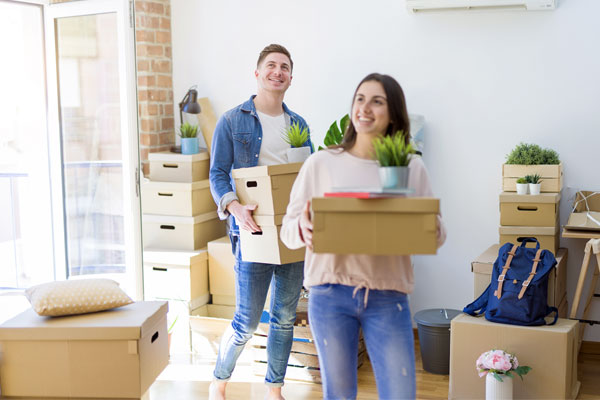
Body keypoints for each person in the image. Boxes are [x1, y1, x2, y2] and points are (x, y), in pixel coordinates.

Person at [280, 73, 447, 399]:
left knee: (400, 394)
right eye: (360, 98)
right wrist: (303, 226)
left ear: (393, 113)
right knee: (339, 395)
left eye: (377, 101)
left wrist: (419, 220)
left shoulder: (411, 168)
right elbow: (288, 232)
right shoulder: (321, 163)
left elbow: (437, 235)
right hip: (330, 296)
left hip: (388, 297)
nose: (365, 108)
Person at [208, 44, 312, 400]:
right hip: (251, 230)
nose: (277, 72)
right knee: (246, 323)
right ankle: (219, 380)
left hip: (290, 235)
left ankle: (274, 389)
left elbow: (305, 177)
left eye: (284, 67)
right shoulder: (233, 120)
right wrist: (233, 207)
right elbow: (218, 173)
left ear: (291, 78)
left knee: (283, 318)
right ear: (258, 73)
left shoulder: (297, 125)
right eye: (271, 65)